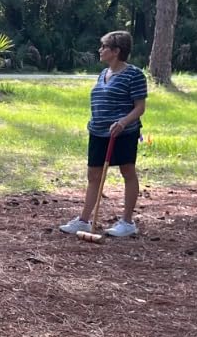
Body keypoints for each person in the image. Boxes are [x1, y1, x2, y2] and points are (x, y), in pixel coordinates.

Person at [60, 30, 147, 238]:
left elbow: (140, 107)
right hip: (98, 132)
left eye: (104, 47)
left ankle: (127, 222)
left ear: (116, 51)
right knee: (93, 176)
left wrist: (123, 122)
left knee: (127, 172)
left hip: (122, 133)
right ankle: (83, 220)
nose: (100, 50)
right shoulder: (103, 73)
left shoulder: (134, 74)